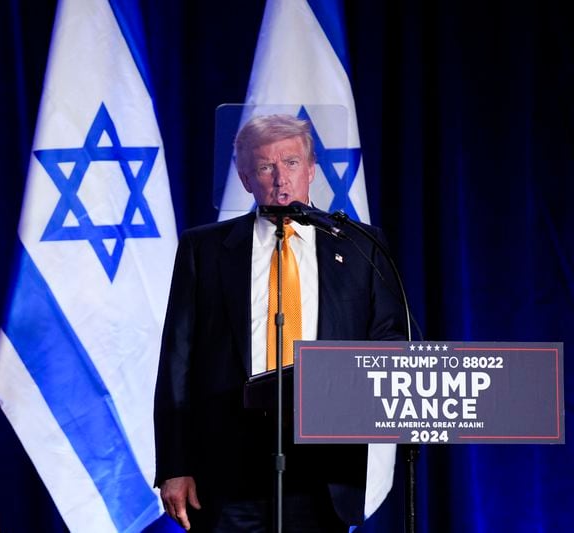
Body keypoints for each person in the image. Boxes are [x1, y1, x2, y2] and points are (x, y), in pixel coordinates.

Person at [153, 114, 406, 532]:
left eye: (290, 163)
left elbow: (390, 341)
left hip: (325, 465)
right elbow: (177, 364)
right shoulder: (205, 249)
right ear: (246, 177)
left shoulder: (361, 246)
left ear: (311, 170)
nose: (279, 179)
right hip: (228, 466)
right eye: (266, 167)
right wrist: (175, 465)